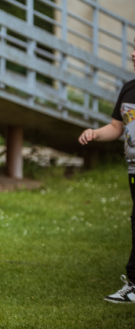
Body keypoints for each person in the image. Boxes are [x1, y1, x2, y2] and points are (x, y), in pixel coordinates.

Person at [78, 41, 135, 303]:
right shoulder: (129, 89)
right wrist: (95, 133)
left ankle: (134, 285)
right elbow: (117, 128)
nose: (132, 54)